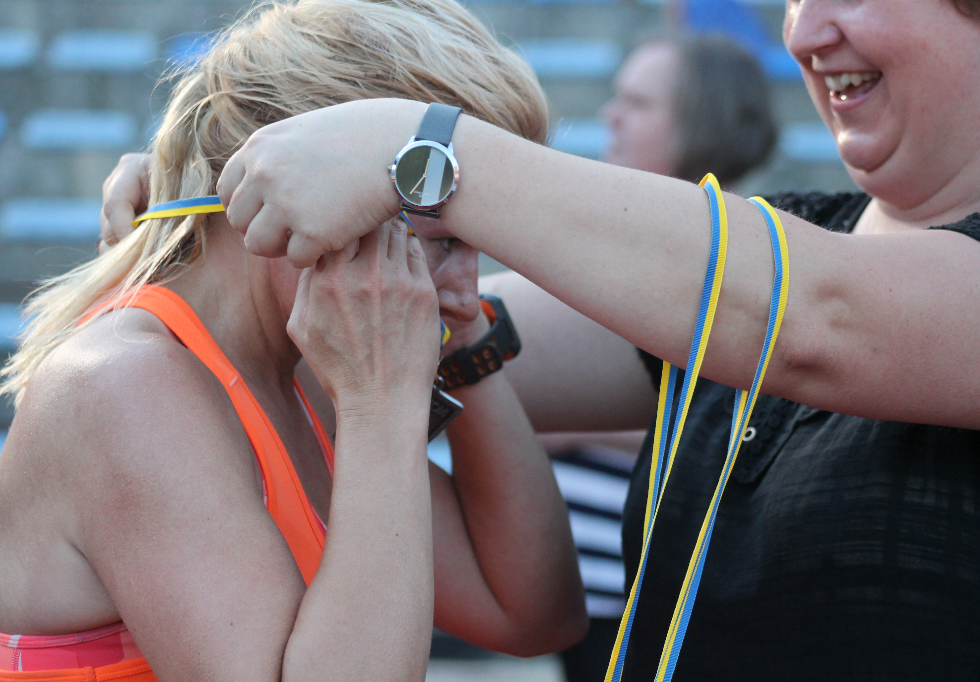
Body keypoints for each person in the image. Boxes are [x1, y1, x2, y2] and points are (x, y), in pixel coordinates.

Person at [163, 0, 980, 678]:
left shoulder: (779, 287)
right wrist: (199, 239)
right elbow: (380, 330)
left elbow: (812, 318)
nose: (804, 31)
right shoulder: (777, 250)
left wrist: (422, 148)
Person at [0, 2, 589, 681]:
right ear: (297, 186)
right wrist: (380, 405)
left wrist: (463, 337)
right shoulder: (126, 386)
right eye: (444, 243)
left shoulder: (297, 372)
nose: (470, 291)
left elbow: (530, 614)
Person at [539, 33, 776, 682]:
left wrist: (577, 420)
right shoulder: (621, 246)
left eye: (639, 103)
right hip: (585, 581)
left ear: (704, 121)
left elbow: (754, 420)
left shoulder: (739, 257)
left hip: (645, 584)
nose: (611, 115)